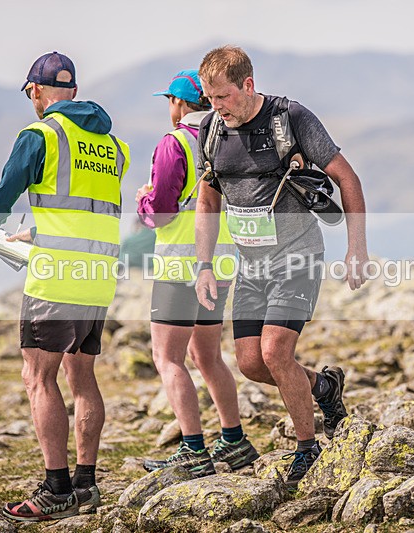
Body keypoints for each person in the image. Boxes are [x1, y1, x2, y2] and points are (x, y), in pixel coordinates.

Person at [0, 51, 130, 521]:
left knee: (39, 377)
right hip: (97, 279)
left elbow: (5, 192)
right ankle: (85, 486)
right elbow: (87, 212)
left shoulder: (39, 135)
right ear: (73, 91)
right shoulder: (114, 146)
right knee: (82, 377)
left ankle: (56, 488)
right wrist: (35, 232)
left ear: (35, 91)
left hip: (55, 278)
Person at [194, 46, 369, 490]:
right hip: (251, 266)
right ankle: (324, 389)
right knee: (252, 364)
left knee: (276, 352)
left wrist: (356, 249)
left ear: (248, 85)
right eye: (209, 99)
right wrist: (204, 266)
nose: (216, 108)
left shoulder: (290, 119)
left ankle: (307, 449)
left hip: (297, 257)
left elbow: (348, 178)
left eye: (224, 97)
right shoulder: (212, 130)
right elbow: (208, 200)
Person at [136, 70, 259, 476]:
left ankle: (192, 449)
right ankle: (234, 441)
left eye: (169, 101)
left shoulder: (175, 143)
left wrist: (143, 203)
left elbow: (163, 209)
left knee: (167, 357)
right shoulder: (222, 138)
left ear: (178, 103)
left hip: (179, 263)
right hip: (221, 261)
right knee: (207, 355)